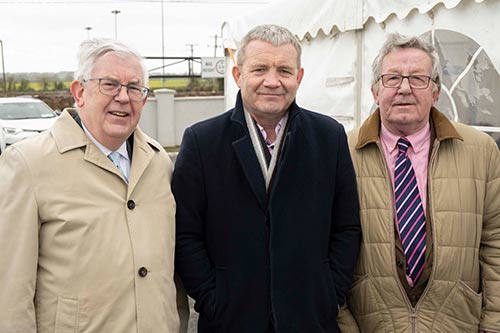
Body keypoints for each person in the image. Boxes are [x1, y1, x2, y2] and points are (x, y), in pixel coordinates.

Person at [172, 24, 361, 332]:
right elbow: (185, 234)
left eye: (284, 71)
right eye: (259, 69)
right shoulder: (202, 141)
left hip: (311, 318)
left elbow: (347, 226)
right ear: (238, 75)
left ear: (298, 78)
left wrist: (330, 293)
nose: (272, 81)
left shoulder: (329, 137)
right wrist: (211, 297)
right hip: (230, 320)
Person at [0, 38, 187, 332]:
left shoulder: (157, 161)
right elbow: (9, 292)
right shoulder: (28, 164)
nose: (123, 97)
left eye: (134, 88)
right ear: (80, 92)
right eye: (109, 84)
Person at [344, 32, 500, 332]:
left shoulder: (481, 152)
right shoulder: (342, 153)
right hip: (371, 324)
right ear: (375, 91)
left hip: (456, 324)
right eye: (392, 78)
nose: (404, 89)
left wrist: (493, 323)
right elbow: (324, 250)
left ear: (436, 91)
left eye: (418, 79)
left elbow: (495, 244)